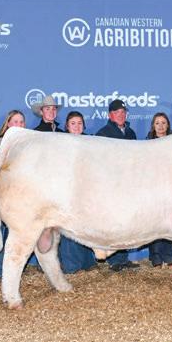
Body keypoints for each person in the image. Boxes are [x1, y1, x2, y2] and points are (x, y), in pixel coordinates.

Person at [95, 99, 140, 272]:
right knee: (112, 221)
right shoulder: (103, 133)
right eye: (117, 112)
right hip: (111, 184)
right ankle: (114, 259)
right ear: (110, 115)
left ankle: (122, 258)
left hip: (128, 184)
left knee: (125, 221)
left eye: (123, 112)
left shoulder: (130, 133)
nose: (121, 115)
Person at [59, 111, 97, 273]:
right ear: (67, 126)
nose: (76, 126)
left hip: (87, 190)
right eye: (73, 123)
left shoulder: (91, 143)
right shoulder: (61, 144)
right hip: (68, 189)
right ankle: (71, 265)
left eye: (80, 123)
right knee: (69, 225)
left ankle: (87, 261)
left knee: (87, 225)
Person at [146, 112, 172, 267]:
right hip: (153, 187)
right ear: (153, 126)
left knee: (170, 221)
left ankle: (169, 256)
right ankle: (156, 257)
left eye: (163, 123)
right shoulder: (146, 144)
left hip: (171, 186)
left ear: (168, 125)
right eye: (157, 123)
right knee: (155, 221)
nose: (161, 126)